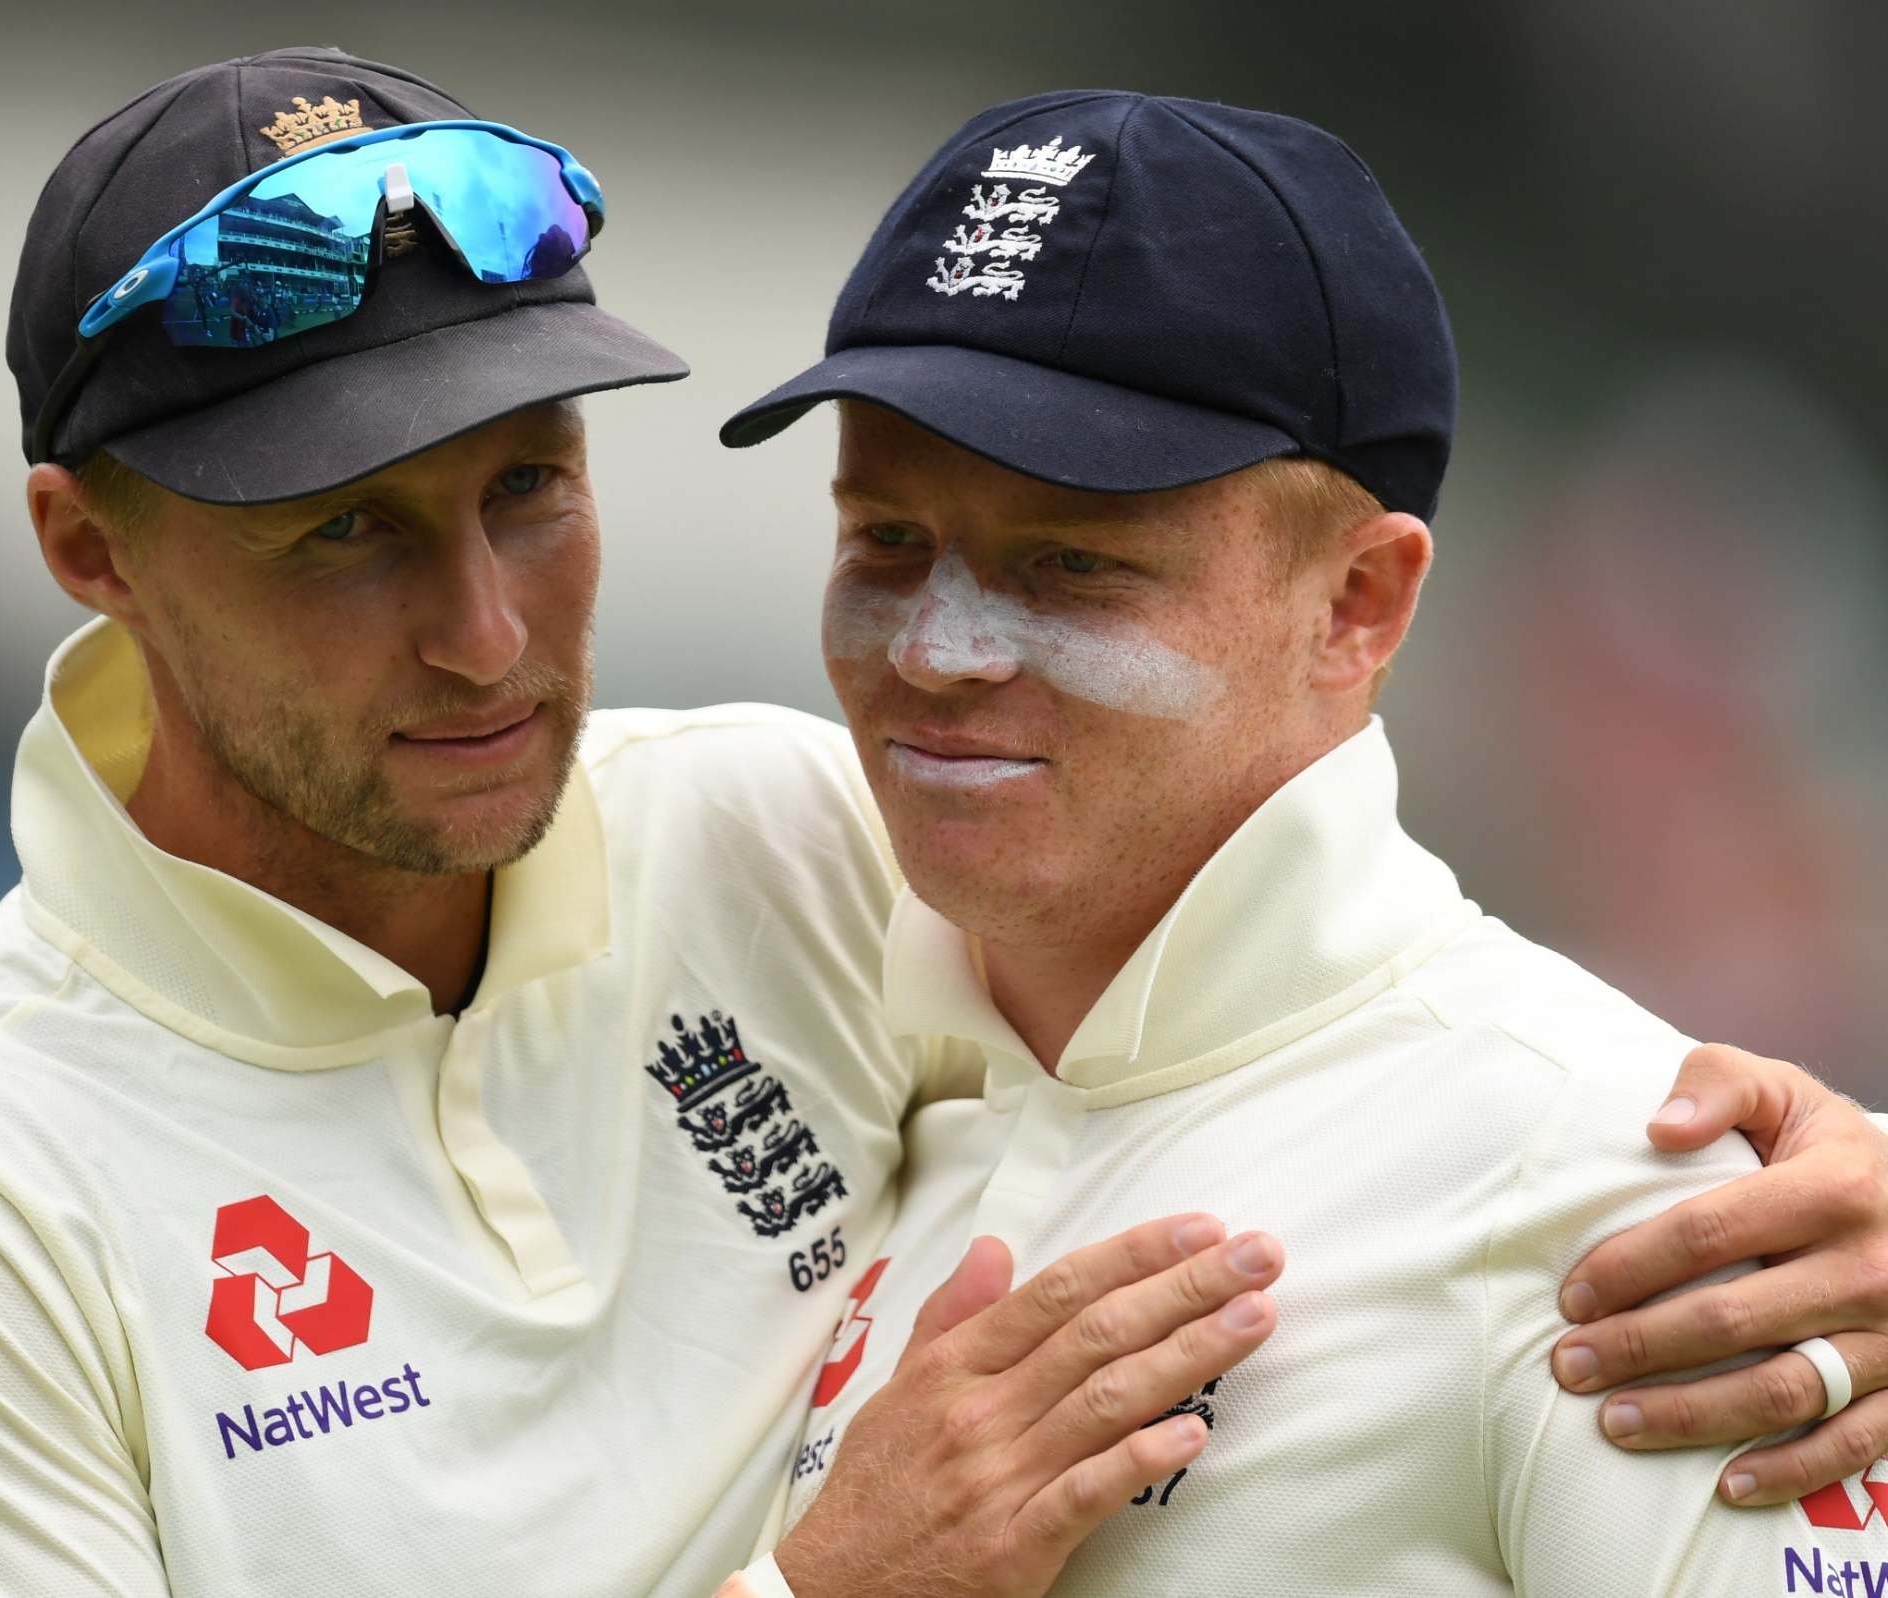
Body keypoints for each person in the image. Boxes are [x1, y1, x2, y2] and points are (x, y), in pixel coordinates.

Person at [0, 47, 1880, 1598]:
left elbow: (1316, 984)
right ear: (85, 546)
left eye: (531, 491)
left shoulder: (782, 836)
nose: (488, 636)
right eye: (343, 538)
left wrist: (1828, 1183)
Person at [716, 90, 1888, 1593]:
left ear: (1357, 606)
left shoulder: (1619, 1193)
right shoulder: (843, 1046)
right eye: (882, 540)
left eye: (1072, 562)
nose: (936, 648)